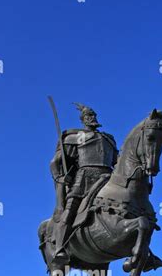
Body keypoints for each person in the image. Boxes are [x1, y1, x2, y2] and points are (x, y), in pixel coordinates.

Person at [50, 103, 118, 265]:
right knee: (70, 210)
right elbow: (56, 162)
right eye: (88, 116)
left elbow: (116, 161)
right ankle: (60, 248)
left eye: (93, 115)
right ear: (83, 120)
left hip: (109, 176)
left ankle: (145, 251)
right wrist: (61, 176)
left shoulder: (109, 139)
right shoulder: (74, 138)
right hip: (85, 178)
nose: (92, 118)